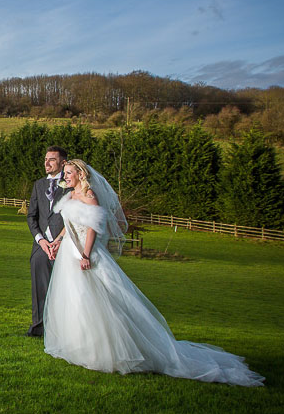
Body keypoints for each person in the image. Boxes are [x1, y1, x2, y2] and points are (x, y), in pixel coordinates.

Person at [43, 159, 264, 386]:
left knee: (99, 300)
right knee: (76, 299)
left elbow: (92, 228)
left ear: (80, 174)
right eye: (65, 173)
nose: (65, 176)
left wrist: (86, 255)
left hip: (85, 253)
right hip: (68, 253)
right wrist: (57, 241)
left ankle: (112, 349)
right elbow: (68, 225)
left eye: (69, 172)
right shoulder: (71, 195)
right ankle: (81, 345)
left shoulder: (90, 196)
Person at [24, 146, 69, 337]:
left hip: (65, 244)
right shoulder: (39, 185)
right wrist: (41, 240)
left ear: (63, 163)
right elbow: (31, 216)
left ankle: (64, 328)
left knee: (66, 287)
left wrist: (60, 241)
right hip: (42, 245)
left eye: (52, 159)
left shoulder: (71, 184)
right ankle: (39, 327)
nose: (47, 163)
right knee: (39, 283)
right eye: (45, 159)